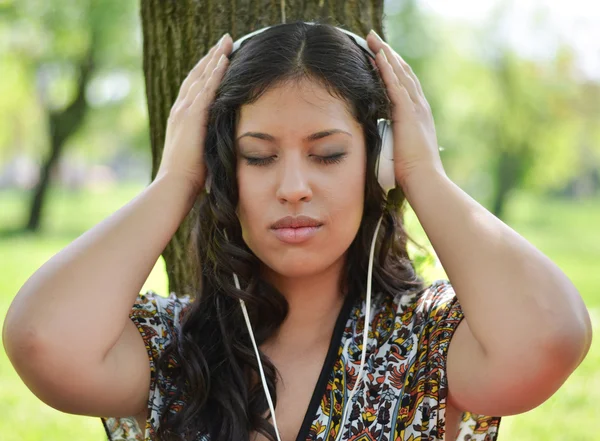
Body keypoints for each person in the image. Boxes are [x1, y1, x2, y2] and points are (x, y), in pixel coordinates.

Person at [2, 20, 592, 441]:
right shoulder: (175, 350)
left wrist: (422, 174)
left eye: (328, 154)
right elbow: (41, 342)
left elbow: (551, 337)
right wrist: (176, 181)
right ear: (223, 170)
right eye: (257, 157)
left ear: (378, 162)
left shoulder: (428, 342)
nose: (293, 187)